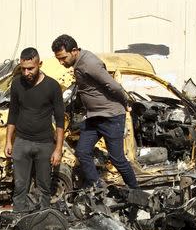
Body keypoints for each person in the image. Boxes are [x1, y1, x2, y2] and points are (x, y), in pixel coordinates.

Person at [51, 34, 138, 189]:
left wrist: (126, 104)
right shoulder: (78, 64)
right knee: (83, 152)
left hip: (111, 116)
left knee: (117, 158)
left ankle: (135, 191)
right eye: (59, 59)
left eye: (63, 58)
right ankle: (98, 187)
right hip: (94, 116)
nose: (61, 62)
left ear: (74, 51)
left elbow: (114, 86)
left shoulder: (89, 63)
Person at [4, 47, 65, 211]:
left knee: (44, 186)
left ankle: (44, 218)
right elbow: (13, 113)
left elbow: (60, 120)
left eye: (30, 68)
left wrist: (58, 149)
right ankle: (19, 220)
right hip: (21, 142)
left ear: (40, 64)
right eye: (23, 69)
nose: (26, 73)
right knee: (19, 187)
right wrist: (8, 141)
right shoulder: (17, 83)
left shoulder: (52, 86)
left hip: (44, 144)